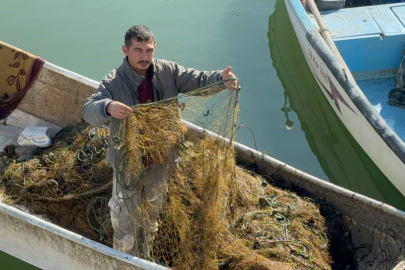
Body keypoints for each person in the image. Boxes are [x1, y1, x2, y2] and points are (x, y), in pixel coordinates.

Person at [82, 25, 237, 259]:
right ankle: (123, 259)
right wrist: (107, 107)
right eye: (137, 50)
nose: (144, 56)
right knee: (124, 217)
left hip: (161, 157)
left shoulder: (168, 71)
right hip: (127, 160)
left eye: (149, 50)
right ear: (125, 50)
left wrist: (221, 79)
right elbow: (88, 110)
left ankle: (145, 257)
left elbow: (199, 81)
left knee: (151, 214)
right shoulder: (113, 81)